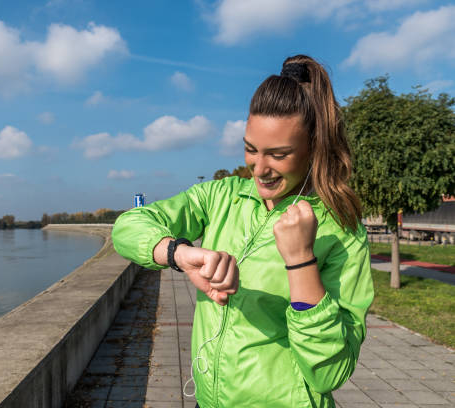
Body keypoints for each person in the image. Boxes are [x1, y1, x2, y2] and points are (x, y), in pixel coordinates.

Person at [112, 55, 374, 408]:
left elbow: (329, 372)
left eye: (279, 155)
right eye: (251, 150)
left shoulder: (341, 229)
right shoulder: (220, 195)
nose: (260, 169)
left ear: (314, 148)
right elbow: (129, 225)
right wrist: (180, 254)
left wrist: (300, 261)